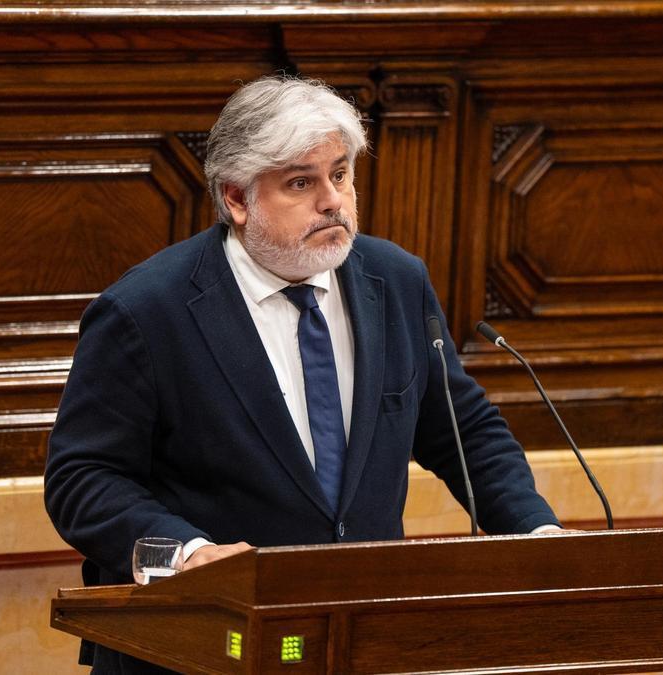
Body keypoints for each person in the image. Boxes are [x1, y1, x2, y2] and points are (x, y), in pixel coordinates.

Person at [44, 75, 561, 673]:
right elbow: (83, 478)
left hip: (361, 638)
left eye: (340, 175)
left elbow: (463, 430)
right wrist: (188, 553)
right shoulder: (145, 311)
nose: (333, 202)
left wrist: (534, 534)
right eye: (301, 183)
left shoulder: (394, 282)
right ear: (237, 199)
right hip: (204, 645)